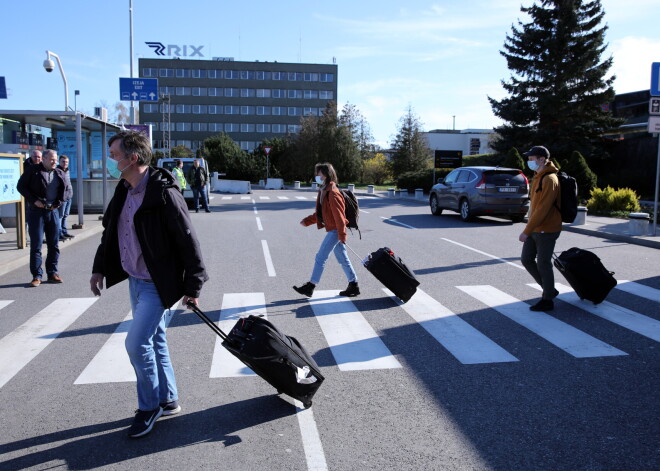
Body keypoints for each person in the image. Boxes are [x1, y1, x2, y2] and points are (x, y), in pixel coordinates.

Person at [89, 130, 208, 439]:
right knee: (155, 341)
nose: (111, 158)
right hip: (135, 280)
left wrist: (193, 288)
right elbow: (111, 232)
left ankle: (149, 406)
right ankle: (168, 400)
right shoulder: (124, 190)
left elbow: (188, 241)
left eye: (115, 154)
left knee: (136, 343)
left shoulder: (164, 194)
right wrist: (99, 268)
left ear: (134, 158)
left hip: (159, 284)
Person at [293, 162, 360, 298]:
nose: (317, 175)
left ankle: (310, 286)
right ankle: (353, 285)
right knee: (342, 258)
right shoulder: (325, 190)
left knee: (320, 257)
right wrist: (307, 221)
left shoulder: (332, 193)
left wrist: (342, 234)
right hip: (334, 229)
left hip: (336, 230)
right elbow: (323, 213)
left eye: (319, 173)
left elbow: (340, 216)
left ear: (326, 175)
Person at [519, 146, 562, 312]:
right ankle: (549, 290)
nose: (529, 161)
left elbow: (543, 209)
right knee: (526, 259)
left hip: (547, 228)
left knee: (543, 263)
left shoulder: (550, 179)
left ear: (542, 159)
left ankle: (547, 299)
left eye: (532, 158)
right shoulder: (538, 176)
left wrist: (526, 230)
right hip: (536, 227)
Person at [16, 149, 66, 287]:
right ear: (43, 159)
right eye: (51, 159)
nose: (54, 162)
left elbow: (68, 190)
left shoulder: (59, 172)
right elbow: (21, 186)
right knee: (36, 245)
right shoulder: (33, 170)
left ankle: (52, 273)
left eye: (55, 159)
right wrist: (33, 200)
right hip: (37, 212)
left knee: (54, 244)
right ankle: (37, 275)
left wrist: (59, 203)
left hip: (53, 212)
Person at [57, 154, 75, 241]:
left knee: (65, 215)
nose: (65, 163)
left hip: (69, 197)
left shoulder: (67, 171)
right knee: (60, 216)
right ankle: (59, 233)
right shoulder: (57, 171)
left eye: (67, 162)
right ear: (59, 162)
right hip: (62, 197)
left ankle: (64, 231)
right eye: (63, 161)